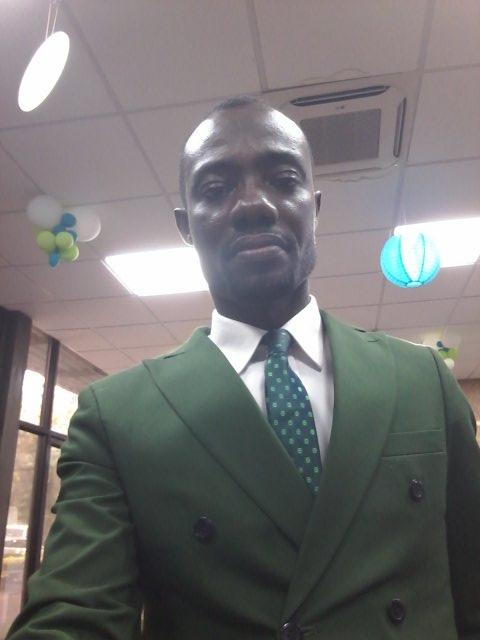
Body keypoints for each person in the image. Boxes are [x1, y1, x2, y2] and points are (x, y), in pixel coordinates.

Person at [7, 95, 480, 640]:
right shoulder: (115, 417)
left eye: (283, 180)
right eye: (216, 188)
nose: (253, 204)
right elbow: (74, 612)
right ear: (186, 226)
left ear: (314, 208)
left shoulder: (424, 381)